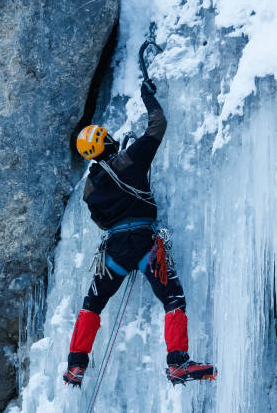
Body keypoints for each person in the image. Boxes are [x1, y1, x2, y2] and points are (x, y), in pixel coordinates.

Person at [62, 80, 217, 387]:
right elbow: (157, 125)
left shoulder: (90, 189)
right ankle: (177, 362)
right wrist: (148, 96)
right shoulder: (129, 160)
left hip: (116, 252)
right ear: (106, 142)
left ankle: (76, 366)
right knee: (173, 298)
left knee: (92, 304)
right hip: (145, 245)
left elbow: (101, 222)